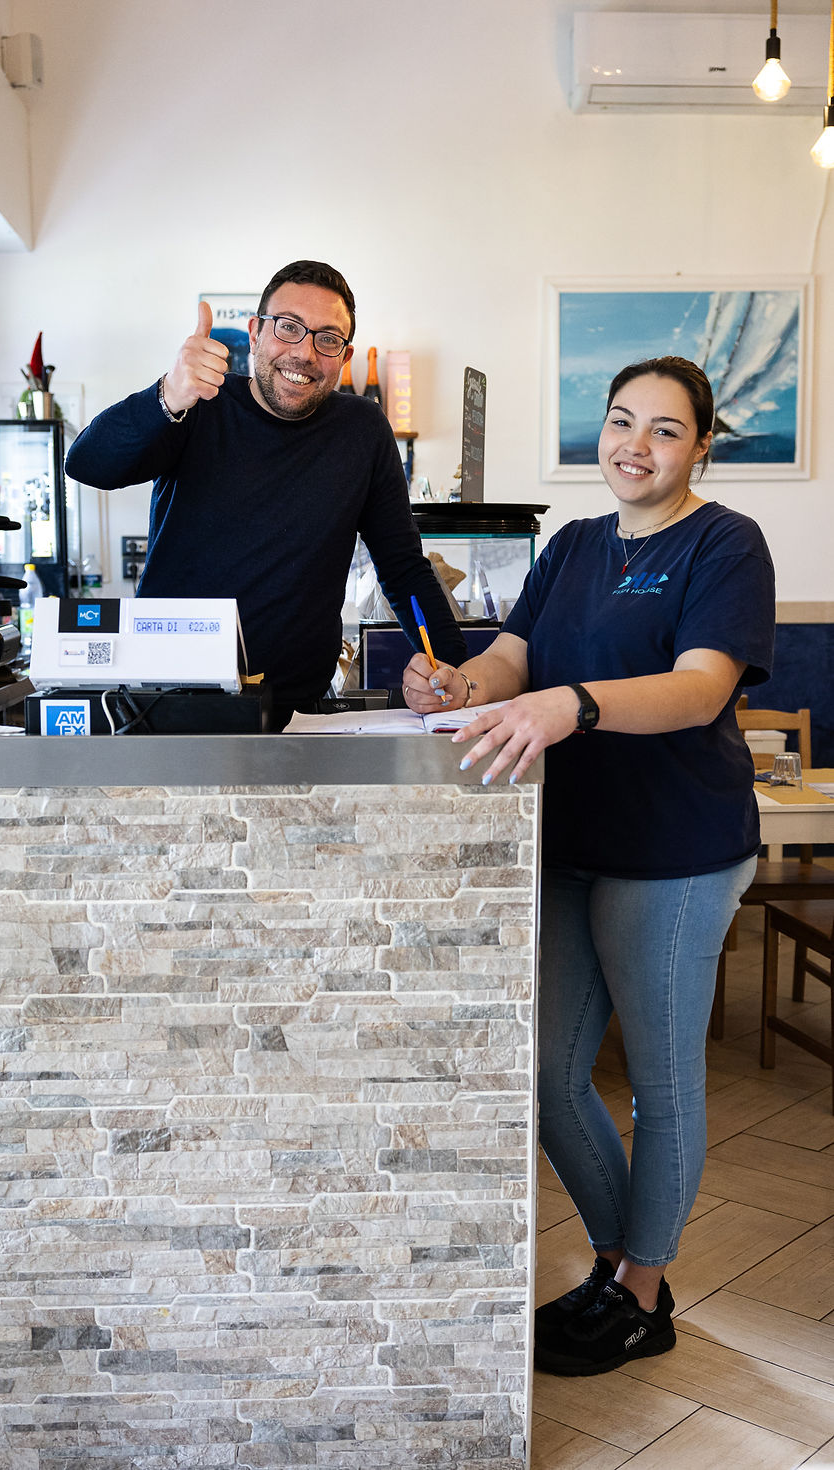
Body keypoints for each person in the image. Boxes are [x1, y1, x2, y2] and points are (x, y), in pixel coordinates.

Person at [402, 356, 775, 1377]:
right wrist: (453, 680)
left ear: (700, 444)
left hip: (674, 853)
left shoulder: (722, 542)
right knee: (548, 1076)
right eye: (620, 422)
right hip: (567, 840)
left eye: (663, 429)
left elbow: (700, 688)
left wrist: (575, 704)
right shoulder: (570, 545)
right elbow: (513, 657)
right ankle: (620, 1270)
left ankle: (638, 1289)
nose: (635, 446)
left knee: (658, 1084)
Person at [65, 259, 465, 725]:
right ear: (255, 333)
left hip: (298, 715)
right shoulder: (199, 404)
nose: (305, 353)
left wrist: (457, 668)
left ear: (344, 357)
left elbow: (403, 569)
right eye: (289, 328)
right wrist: (170, 392)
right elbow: (87, 464)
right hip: (170, 705)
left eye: (327, 338)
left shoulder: (363, 431)